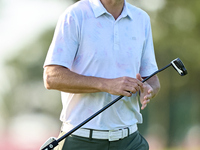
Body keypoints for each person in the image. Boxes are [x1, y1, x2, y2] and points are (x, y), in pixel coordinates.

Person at [43, 0, 160, 149]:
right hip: (81, 140)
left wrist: (149, 90)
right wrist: (106, 85)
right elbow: (51, 77)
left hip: (130, 141)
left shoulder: (141, 18)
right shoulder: (75, 14)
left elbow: (153, 79)